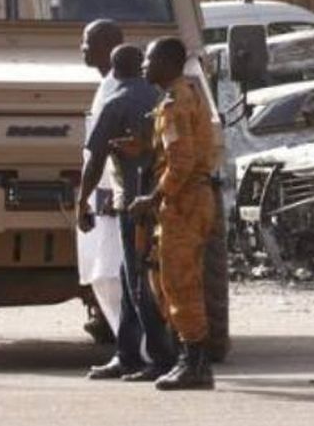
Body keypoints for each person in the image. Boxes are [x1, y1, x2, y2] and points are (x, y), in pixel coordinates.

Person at [122, 37, 221, 391]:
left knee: (181, 283)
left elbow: (181, 163)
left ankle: (194, 363)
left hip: (184, 204)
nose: (144, 66)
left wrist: (151, 198)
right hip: (186, 202)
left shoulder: (176, 103)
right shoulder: (175, 98)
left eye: (149, 60)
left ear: (166, 62)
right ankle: (188, 357)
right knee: (170, 282)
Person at [77, 44, 176, 382]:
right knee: (130, 275)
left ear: (114, 69)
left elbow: (95, 162)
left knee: (137, 282)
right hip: (161, 199)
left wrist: (82, 204)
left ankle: (161, 358)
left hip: (134, 204)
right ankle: (128, 354)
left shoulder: (115, 101)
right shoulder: (161, 97)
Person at [77, 19, 126, 375]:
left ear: (107, 45)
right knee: (105, 276)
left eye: (87, 42)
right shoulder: (106, 85)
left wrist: (89, 196)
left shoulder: (117, 88)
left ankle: (132, 352)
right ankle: (129, 350)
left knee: (111, 276)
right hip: (105, 195)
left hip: (112, 198)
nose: (82, 48)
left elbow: (103, 152)